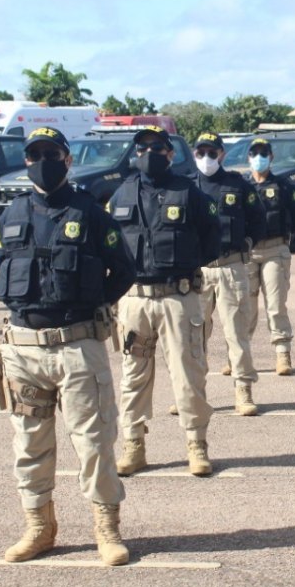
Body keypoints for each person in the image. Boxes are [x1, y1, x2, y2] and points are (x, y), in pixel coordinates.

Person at [0, 127, 135, 566]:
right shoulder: (10, 213)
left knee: (94, 443)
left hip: (76, 347)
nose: (41, 162)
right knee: (29, 444)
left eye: (51, 154)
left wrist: (94, 307)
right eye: (34, 155)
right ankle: (39, 528)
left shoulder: (90, 212)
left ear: (67, 160)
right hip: (23, 350)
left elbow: (124, 270)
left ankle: (106, 530)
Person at [108, 126, 222, 477]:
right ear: (134, 152)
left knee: (189, 373)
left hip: (178, 296)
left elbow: (211, 242)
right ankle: (134, 444)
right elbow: (110, 243)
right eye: (142, 147)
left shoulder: (189, 192)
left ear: (170, 154)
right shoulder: (120, 194)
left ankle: (196, 444)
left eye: (157, 148)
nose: (149, 153)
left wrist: (181, 268)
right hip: (135, 300)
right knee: (133, 376)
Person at [193, 132, 267, 416]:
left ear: (222, 154)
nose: (207, 158)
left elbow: (258, 220)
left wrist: (247, 245)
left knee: (236, 333)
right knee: (194, 336)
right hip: (198, 271)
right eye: (201, 153)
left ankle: (243, 390)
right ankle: (193, 392)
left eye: (212, 153)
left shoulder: (237, 185)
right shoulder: (187, 187)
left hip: (230, 267)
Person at [245, 137, 295, 376]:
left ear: (271, 157)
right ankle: (239, 356)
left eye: (263, 153)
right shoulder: (241, 186)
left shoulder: (284, 185)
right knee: (244, 309)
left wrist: (291, 237)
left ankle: (282, 354)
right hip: (248, 253)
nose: (259, 157)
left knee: (276, 305)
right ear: (248, 157)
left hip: (275, 250)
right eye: (254, 153)